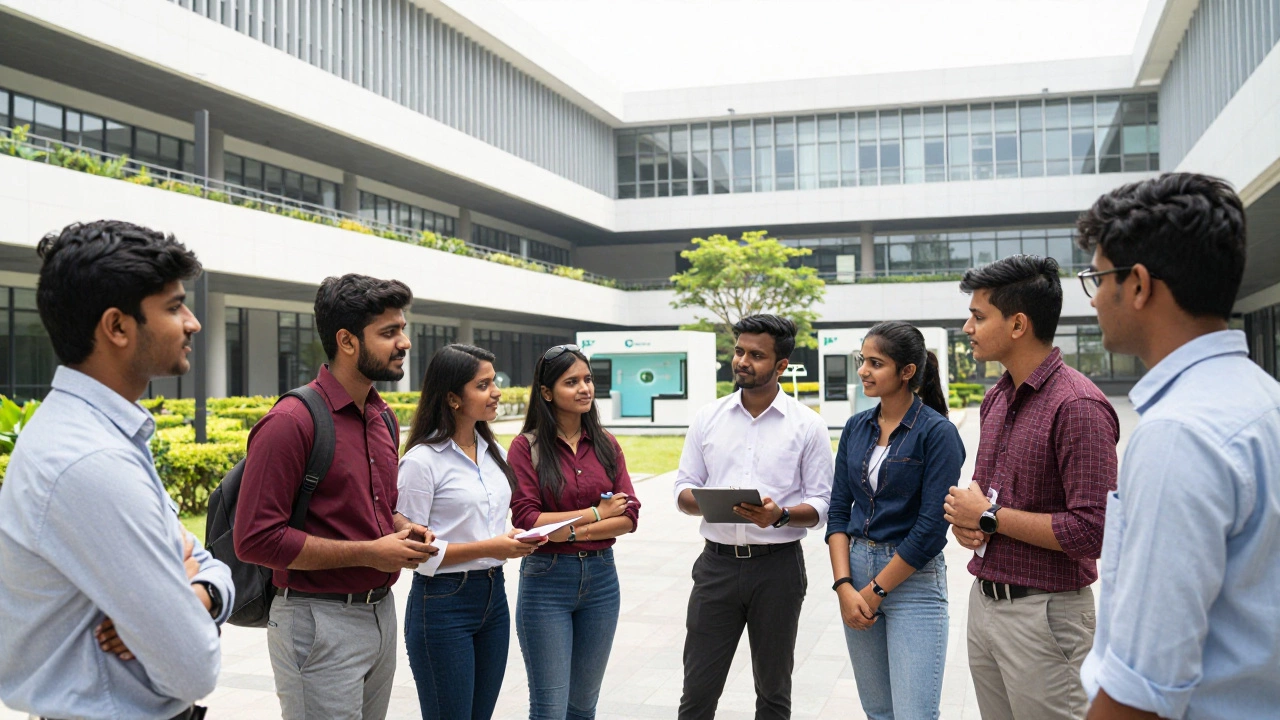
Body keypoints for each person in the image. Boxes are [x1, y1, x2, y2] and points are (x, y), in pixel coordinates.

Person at [0, 220, 233, 719]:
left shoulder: (99, 434)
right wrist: (184, 583)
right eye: (173, 307)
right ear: (118, 327)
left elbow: (208, 565)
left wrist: (200, 591)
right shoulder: (90, 461)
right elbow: (194, 667)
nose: (192, 322)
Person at [1074, 173, 1280, 719]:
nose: (1094, 301)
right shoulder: (1265, 401)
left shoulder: (1179, 435)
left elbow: (1141, 688)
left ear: (1138, 285)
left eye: (1097, 280)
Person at [234, 273, 436, 720]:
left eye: (402, 328)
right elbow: (255, 540)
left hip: (380, 614)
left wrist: (402, 530)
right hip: (315, 621)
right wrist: (371, 552)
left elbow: (374, 509)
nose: (404, 342)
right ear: (346, 341)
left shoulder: (382, 417)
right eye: (389, 332)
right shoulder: (291, 421)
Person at [943, 254, 1119, 720]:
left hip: (1046, 617)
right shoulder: (996, 397)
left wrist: (987, 518)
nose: (968, 327)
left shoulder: (1078, 405)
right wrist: (971, 524)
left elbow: (1093, 532)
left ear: (1018, 324)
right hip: (985, 604)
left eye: (979, 316)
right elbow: (988, 501)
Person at [674, 314, 834, 720]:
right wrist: (711, 502)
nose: (742, 361)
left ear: (781, 365)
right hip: (716, 567)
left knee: (774, 691)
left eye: (756, 355)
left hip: (778, 570)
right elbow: (682, 489)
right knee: (697, 691)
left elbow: (821, 505)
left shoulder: (808, 426)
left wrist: (778, 516)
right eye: (739, 351)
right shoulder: (707, 418)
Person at [827, 321, 965, 720]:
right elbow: (838, 511)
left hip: (912, 582)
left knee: (914, 715)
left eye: (875, 363)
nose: (863, 371)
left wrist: (873, 593)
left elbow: (930, 530)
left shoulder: (937, 433)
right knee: (879, 713)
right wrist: (844, 588)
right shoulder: (856, 427)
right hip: (854, 572)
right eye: (862, 360)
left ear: (907, 371)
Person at [398, 344, 543, 720]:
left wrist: (511, 541)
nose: (496, 391)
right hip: (443, 602)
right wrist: (492, 546)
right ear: (452, 398)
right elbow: (413, 553)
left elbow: (491, 522)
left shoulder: (493, 449)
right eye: (483, 385)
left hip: (493, 596)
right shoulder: (421, 461)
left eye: (494, 382)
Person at [508, 343, 641, 720]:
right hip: (546, 581)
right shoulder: (525, 447)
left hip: (601, 580)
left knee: (583, 707)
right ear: (547, 393)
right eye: (571, 382)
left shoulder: (606, 444)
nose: (584, 388)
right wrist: (596, 514)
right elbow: (528, 521)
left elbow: (630, 515)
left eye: (587, 379)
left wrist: (566, 530)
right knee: (550, 709)